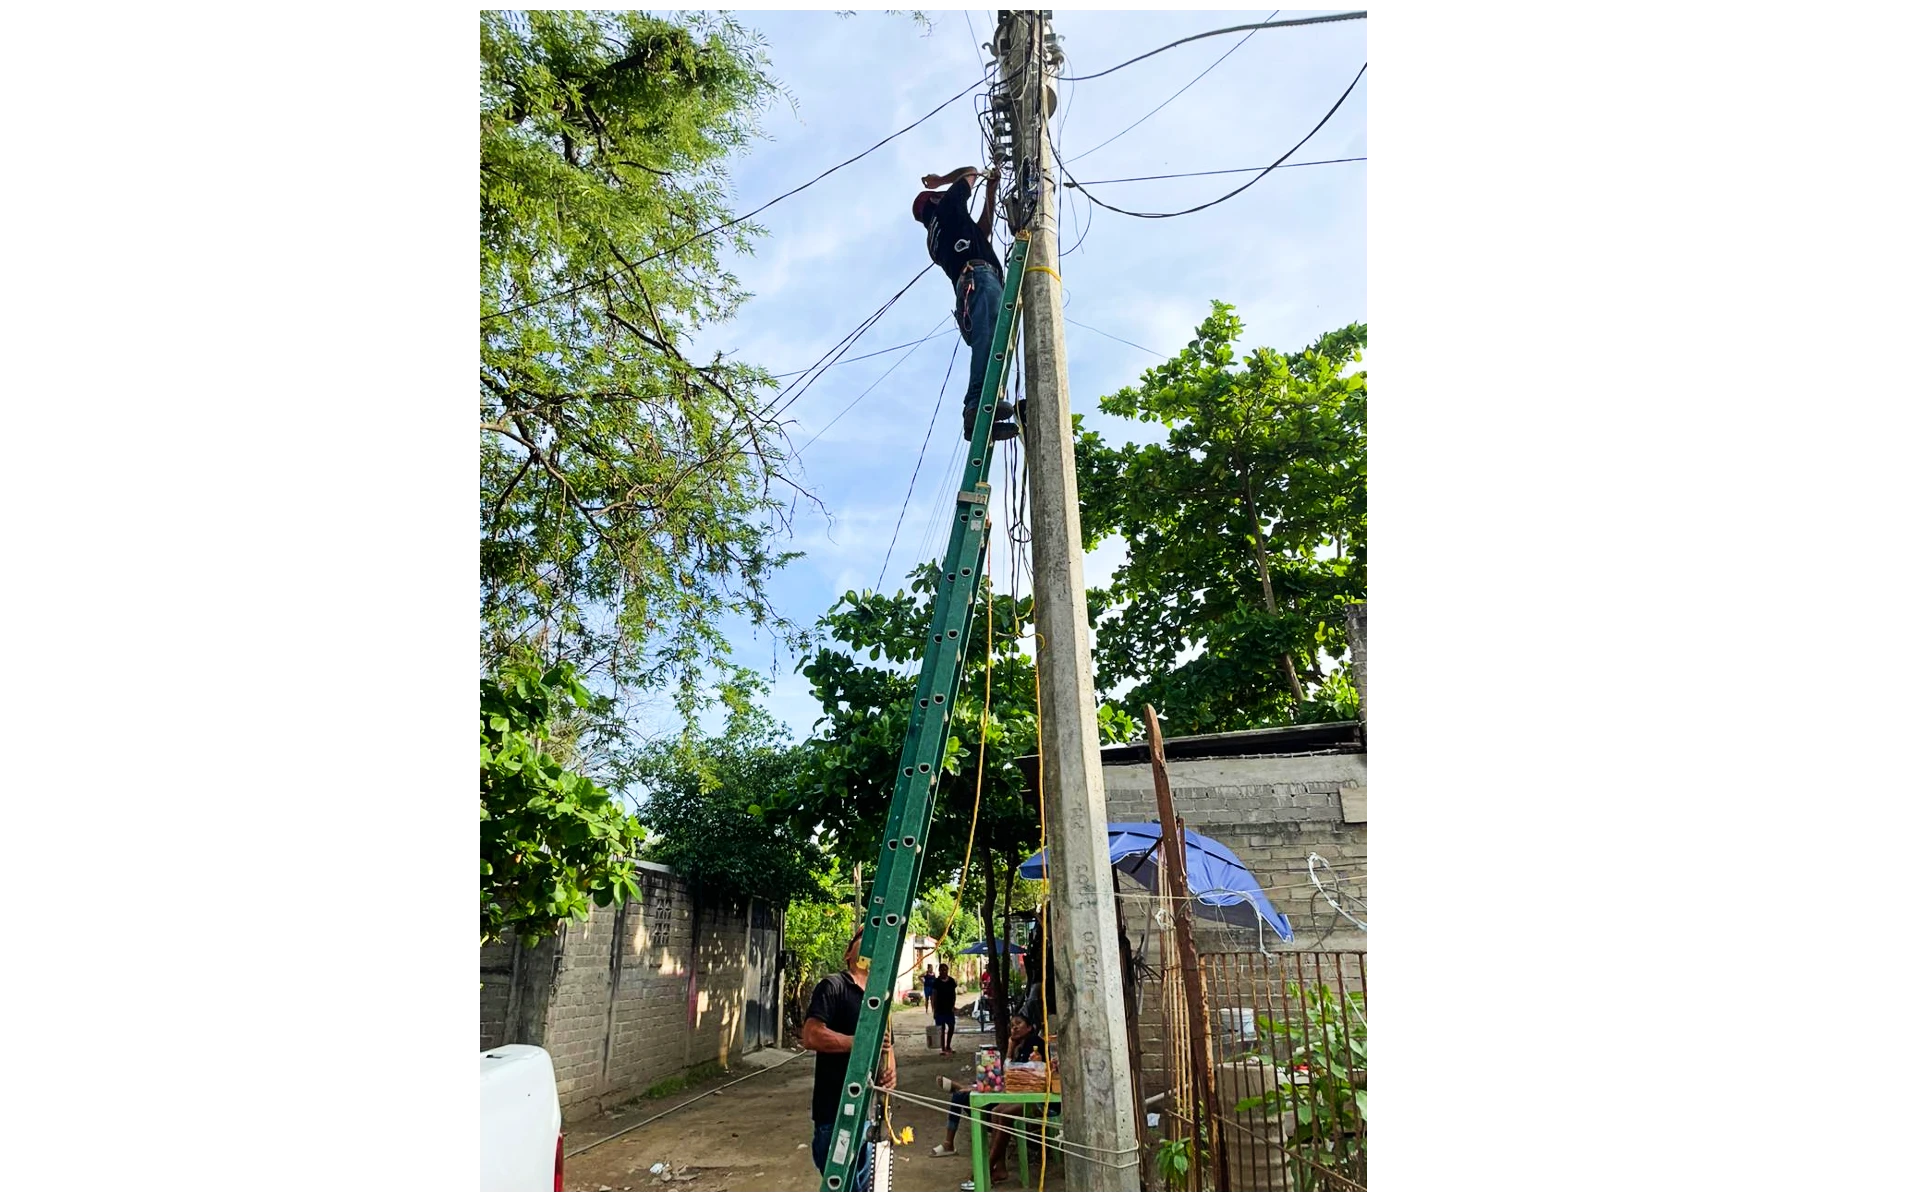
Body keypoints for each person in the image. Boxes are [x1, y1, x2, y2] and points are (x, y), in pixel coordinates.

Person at [912, 165, 1019, 443]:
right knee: (989, 339)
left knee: (993, 342)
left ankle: (984, 414)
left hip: (972, 283)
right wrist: (941, 181)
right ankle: (976, 404)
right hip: (979, 278)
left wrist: (991, 191)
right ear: (937, 200)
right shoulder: (947, 206)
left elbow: (981, 231)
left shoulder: (938, 235)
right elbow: (970, 171)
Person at [801, 931, 897, 1192]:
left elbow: (888, 1046)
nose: (872, 944)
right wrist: (857, 1044)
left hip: (868, 1115)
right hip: (834, 1115)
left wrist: (889, 1073)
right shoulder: (833, 986)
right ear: (848, 953)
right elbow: (811, 1035)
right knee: (842, 1185)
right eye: (864, 938)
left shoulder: (881, 999)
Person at [930, 1011, 1053, 1182]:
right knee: (992, 1110)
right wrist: (1011, 1047)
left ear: (1030, 1027)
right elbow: (1010, 1074)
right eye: (1012, 1024)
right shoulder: (1020, 1045)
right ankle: (996, 1169)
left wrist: (1010, 1049)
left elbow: (1018, 1074)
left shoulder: (1034, 1044)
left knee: (997, 1113)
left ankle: (986, 1168)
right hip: (1017, 1094)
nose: (1014, 1027)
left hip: (1034, 1099)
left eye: (1019, 1023)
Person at [931, 962, 959, 1057]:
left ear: (947, 971)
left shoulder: (951, 981)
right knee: (941, 1029)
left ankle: (948, 1046)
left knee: (951, 1027)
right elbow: (934, 996)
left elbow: (954, 994)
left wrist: (953, 1005)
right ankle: (943, 1048)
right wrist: (934, 1010)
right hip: (940, 1009)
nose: (944, 972)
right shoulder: (936, 982)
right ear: (939, 971)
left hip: (949, 1009)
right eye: (942, 970)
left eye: (945, 970)